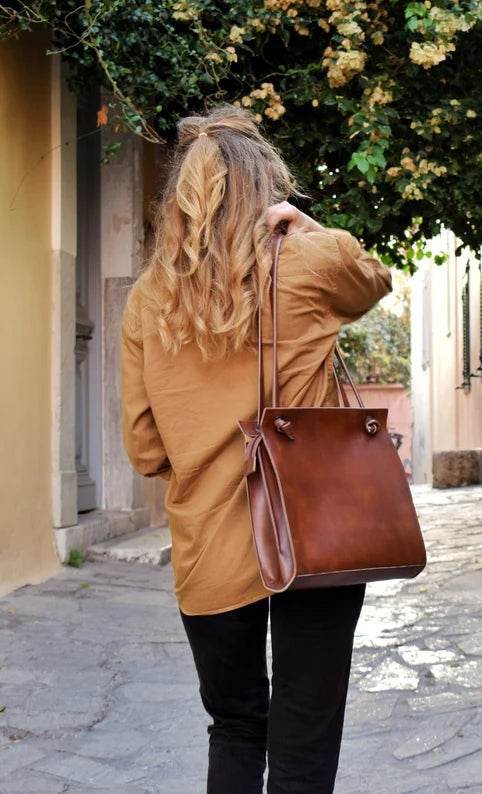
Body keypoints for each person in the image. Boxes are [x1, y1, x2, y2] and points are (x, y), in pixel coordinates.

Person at [121, 105, 392, 794]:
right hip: (315, 531)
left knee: (236, 725)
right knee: (306, 729)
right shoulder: (308, 261)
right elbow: (373, 282)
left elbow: (144, 449)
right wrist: (310, 228)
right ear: (262, 187)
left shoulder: (148, 301)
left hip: (208, 541)